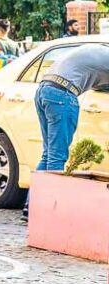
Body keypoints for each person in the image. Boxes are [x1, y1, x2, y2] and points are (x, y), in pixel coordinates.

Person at [23, 44, 109, 220]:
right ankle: (51, 211)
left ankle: (31, 207)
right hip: (62, 96)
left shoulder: (98, 51)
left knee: (48, 155)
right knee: (57, 156)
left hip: (44, 90)